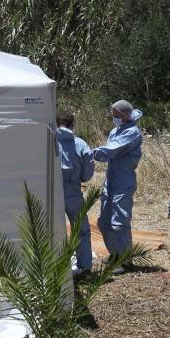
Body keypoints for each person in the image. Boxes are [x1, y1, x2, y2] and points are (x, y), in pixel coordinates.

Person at [93, 99, 143, 271]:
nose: (113, 117)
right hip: (111, 179)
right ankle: (114, 254)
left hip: (123, 180)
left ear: (124, 115)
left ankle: (123, 259)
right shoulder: (115, 131)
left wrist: (88, 154)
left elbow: (111, 150)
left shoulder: (132, 132)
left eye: (116, 114)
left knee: (119, 222)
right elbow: (108, 154)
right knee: (104, 222)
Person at [56, 110, 95, 276]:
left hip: (52, 193)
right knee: (81, 229)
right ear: (73, 124)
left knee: (53, 231)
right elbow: (87, 175)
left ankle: (56, 269)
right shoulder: (80, 144)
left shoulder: (47, 142)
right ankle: (85, 267)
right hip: (73, 193)